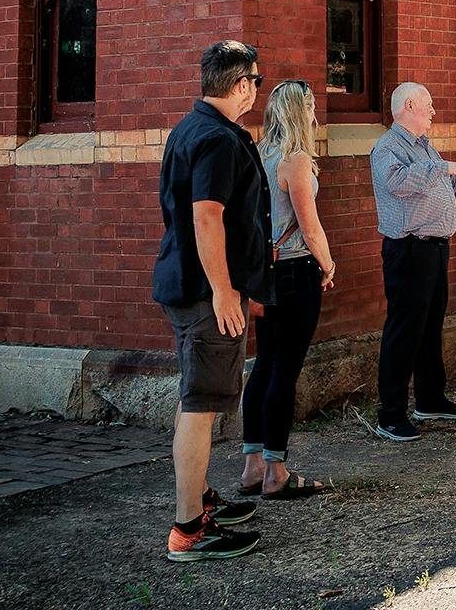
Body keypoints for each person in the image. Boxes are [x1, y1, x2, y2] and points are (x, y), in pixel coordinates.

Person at [153, 41, 270, 561]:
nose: (256, 91)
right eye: (256, 82)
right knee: (200, 406)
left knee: (192, 399)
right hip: (205, 294)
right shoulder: (218, 138)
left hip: (186, 285)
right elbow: (207, 216)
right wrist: (224, 289)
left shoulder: (188, 128)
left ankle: (198, 502)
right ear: (241, 83)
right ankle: (188, 531)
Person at [370, 81, 456, 442]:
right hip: (409, 249)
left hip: (434, 248)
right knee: (404, 330)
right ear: (410, 105)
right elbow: (398, 183)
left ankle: (430, 398)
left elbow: (447, 187)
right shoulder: (388, 147)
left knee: (431, 326)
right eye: (429, 105)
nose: (433, 111)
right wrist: (444, 168)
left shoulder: (425, 149)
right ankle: (391, 414)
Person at [239, 80, 337, 500]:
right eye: (312, 105)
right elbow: (309, 225)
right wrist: (329, 264)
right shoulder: (296, 160)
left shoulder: (260, 155)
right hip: (296, 270)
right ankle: (276, 471)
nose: (316, 113)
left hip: (266, 272)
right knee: (285, 368)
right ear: (301, 111)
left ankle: (252, 466)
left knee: (264, 365)